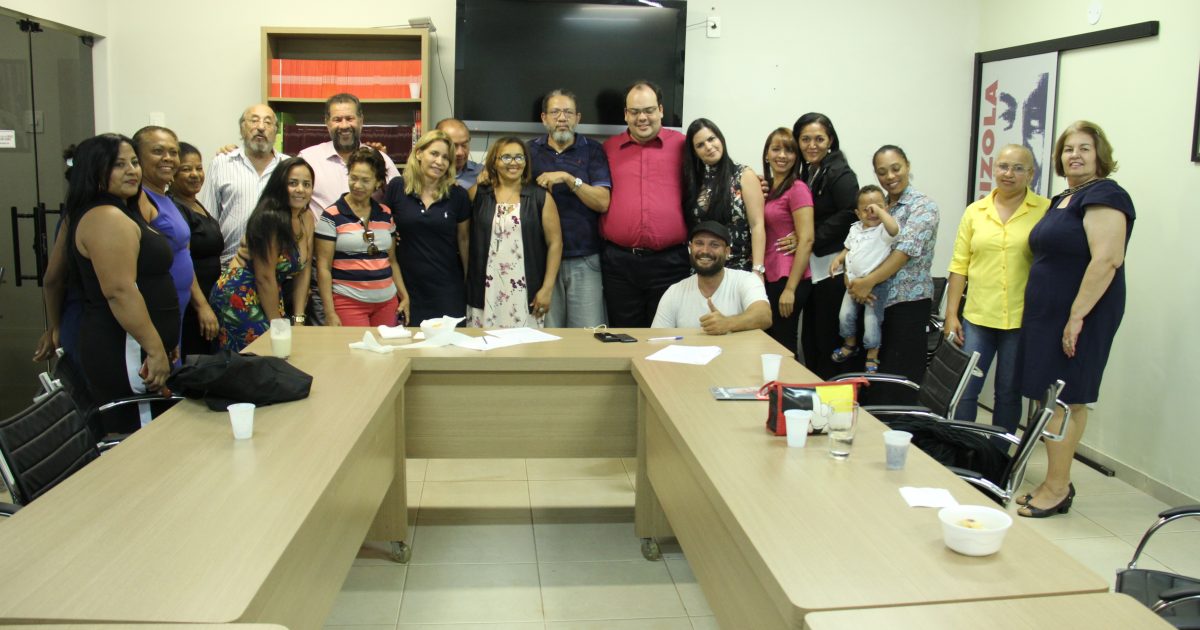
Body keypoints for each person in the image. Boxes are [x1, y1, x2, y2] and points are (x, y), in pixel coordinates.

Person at [1016, 121, 1134, 519]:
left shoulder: (1106, 195)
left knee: (1065, 399)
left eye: (1085, 148)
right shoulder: (1064, 198)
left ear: (1100, 155)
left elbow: (1107, 259)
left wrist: (1076, 316)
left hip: (1080, 314)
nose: (1075, 155)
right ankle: (1055, 480)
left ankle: (1057, 487)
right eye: (1068, 149)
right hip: (1048, 314)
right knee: (1049, 397)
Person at [66, 134, 177, 433]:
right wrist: (155, 349)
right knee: (141, 438)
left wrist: (163, 343)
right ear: (93, 170)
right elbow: (120, 291)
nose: (132, 171)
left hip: (139, 346)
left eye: (134, 162)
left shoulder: (122, 211)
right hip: (125, 348)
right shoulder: (106, 217)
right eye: (118, 164)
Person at [945, 144, 1050, 432]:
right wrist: (951, 314)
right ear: (994, 169)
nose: (1009, 173)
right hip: (977, 318)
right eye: (1003, 166)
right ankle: (963, 447)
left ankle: (998, 453)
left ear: (1031, 174)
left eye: (1018, 168)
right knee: (965, 389)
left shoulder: (1045, 210)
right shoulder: (975, 211)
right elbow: (959, 265)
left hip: (1020, 319)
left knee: (1008, 393)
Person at [845, 145, 939, 397]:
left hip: (906, 304)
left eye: (896, 168)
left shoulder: (923, 207)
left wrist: (867, 282)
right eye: (882, 172)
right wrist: (853, 280)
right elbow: (859, 244)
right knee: (872, 381)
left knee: (898, 381)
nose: (890, 176)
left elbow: (903, 253)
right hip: (873, 300)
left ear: (907, 166)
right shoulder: (880, 205)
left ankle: (900, 423)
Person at [601, 80, 690, 327]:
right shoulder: (608, 149)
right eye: (635, 111)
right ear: (625, 114)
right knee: (623, 336)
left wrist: (751, 181)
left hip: (670, 263)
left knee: (666, 336)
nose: (642, 118)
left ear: (660, 110)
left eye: (649, 110)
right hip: (619, 264)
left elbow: (717, 170)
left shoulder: (683, 146)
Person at [208, 157, 315, 351]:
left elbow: (304, 269)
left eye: (306, 184)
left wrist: (299, 318)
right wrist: (277, 326)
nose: (300, 189)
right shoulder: (269, 218)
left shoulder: (306, 217)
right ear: (280, 185)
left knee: (279, 351)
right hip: (241, 292)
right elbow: (264, 277)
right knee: (262, 353)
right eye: (293, 183)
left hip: (271, 291)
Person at [527, 88, 612, 328]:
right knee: (547, 335)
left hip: (585, 258)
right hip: (541, 259)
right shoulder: (528, 151)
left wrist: (568, 178)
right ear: (544, 118)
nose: (562, 118)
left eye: (568, 112)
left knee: (587, 334)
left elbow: (602, 202)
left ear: (578, 118)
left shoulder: (593, 150)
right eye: (555, 112)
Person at [465, 137, 563, 328]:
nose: (513, 163)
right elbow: (464, 237)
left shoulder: (540, 197)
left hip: (525, 291)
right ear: (494, 161)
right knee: (484, 343)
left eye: (519, 157)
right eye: (506, 157)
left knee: (525, 345)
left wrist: (547, 288)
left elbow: (555, 244)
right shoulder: (477, 193)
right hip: (485, 290)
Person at [792, 113, 860, 377]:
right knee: (810, 338)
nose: (812, 145)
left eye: (819, 139)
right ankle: (815, 391)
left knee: (827, 338)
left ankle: (832, 395)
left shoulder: (840, 172)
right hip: (815, 269)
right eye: (805, 139)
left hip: (833, 269)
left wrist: (810, 236)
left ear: (830, 140)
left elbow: (850, 212)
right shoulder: (810, 171)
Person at [383, 130, 472, 324]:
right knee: (407, 340)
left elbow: (464, 240)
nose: (440, 162)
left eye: (446, 158)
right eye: (434, 154)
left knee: (449, 341)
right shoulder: (397, 187)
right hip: (405, 287)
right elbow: (383, 228)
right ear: (418, 153)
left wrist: (468, 282)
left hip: (447, 288)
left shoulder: (458, 195)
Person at [315, 147, 410, 327]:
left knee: (386, 346)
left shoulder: (385, 213)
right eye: (353, 178)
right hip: (348, 302)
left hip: (387, 302)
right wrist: (329, 312)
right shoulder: (331, 215)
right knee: (357, 346)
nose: (357, 185)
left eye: (365, 180)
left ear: (378, 182)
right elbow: (323, 268)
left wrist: (404, 296)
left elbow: (392, 261)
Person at [131, 126, 201, 356]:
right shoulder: (139, 198)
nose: (168, 158)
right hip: (154, 310)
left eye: (173, 152)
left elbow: (183, 254)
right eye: (158, 151)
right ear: (137, 157)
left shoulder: (165, 197)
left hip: (176, 308)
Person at [201, 104, 288, 265]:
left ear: (276, 131)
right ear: (242, 128)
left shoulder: (288, 167)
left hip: (278, 266)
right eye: (254, 121)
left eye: (268, 122)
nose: (261, 127)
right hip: (229, 264)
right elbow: (208, 219)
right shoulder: (221, 163)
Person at [652, 221, 771, 335]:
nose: (705, 251)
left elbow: (764, 316)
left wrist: (728, 323)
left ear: (727, 252)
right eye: (699, 243)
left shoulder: (746, 280)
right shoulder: (674, 292)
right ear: (690, 248)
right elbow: (657, 338)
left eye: (714, 245)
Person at [682, 118, 766, 275]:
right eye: (700, 145)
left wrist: (758, 269)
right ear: (694, 152)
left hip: (738, 269)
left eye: (711, 139)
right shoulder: (693, 182)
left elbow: (757, 225)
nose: (708, 147)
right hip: (702, 270)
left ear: (720, 138)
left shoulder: (744, 175)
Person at [830, 185, 899, 373]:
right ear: (858, 213)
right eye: (866, 209)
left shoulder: (884, 231)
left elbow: (894, 229)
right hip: (852, 284)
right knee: (845, 315)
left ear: (886, 208)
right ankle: (850, 344)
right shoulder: (855, 229)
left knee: (872, 321)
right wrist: (838, 259)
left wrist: (881, 212)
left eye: (877, 207)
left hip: (875, 285)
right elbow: (848, 248)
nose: (872, 212)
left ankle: (872, 354)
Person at [298, 93, 401, 218]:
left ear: (361, 120)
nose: (344, 125)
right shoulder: (308, 159)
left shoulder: (382, 160)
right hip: (323, 230)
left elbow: (400, 203)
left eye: (349, 118)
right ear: (327, 122)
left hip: (371, 230)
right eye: (337, 119)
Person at [760, 128, 814, 356]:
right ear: (767, 154)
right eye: (776, 149)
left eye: (789, 150)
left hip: (789, 277)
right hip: (770, 274)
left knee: (783, 343)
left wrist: (790, 289)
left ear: (796, 157)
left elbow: (807, 239)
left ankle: (790, 380)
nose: (782, 155)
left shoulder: (797, 188)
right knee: (769, 342)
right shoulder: (768, 187)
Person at [170, 142, 222, 358]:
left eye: (199, 168)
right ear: (173, 173)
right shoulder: (175, 208)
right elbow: (183, 263)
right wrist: (202, 306)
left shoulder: (195, 203)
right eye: (186, 169)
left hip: (209, 298)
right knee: (194, 361)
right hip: (193, 305)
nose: (195, 174)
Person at [435, 118, 483, 189]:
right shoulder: (427, 174)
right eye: (454, 146)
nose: (460, 152)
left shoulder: (482, 172)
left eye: (464, 145)